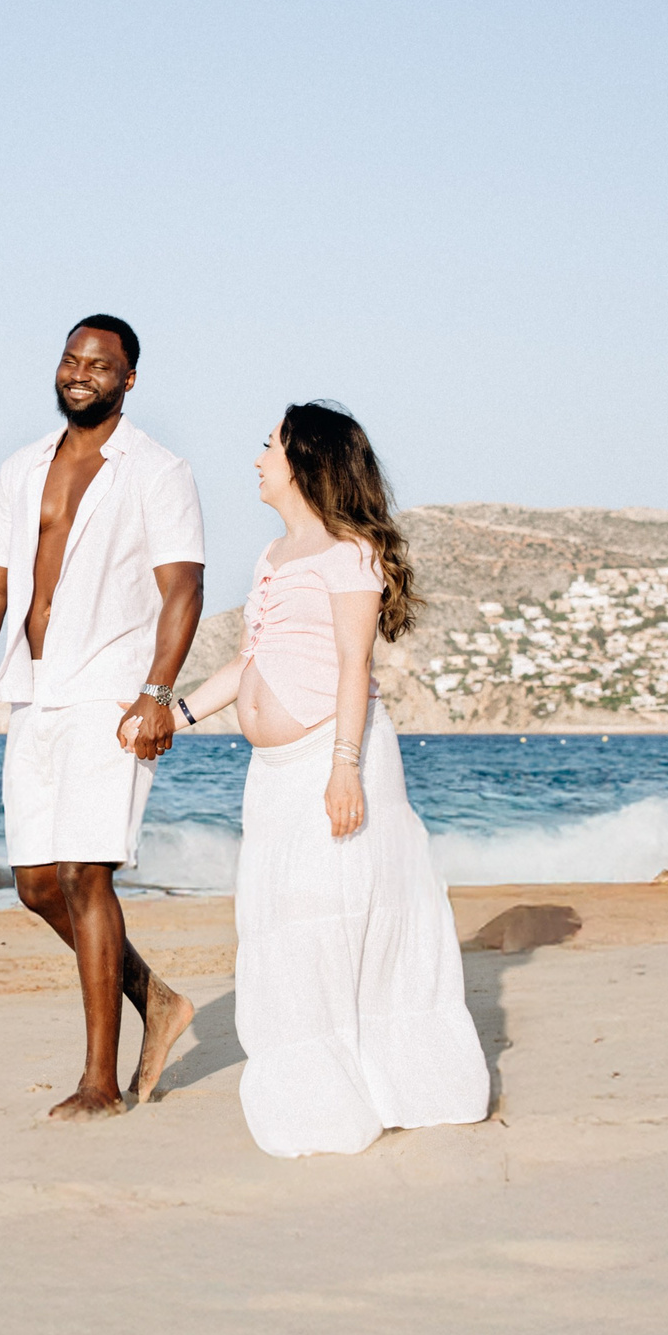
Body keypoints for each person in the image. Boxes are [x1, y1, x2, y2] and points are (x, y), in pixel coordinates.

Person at [173, 402, 489, 1156]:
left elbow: (356, 665)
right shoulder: (273, 555)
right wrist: (172, 715)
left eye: (269, 444)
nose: (257, 458)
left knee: (339, 919)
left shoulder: (350, 554)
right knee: (281, 925)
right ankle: (321, 1085)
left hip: (333, 759)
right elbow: (252, 661)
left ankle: (387, 1082)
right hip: (274, 772)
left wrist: (344, 769)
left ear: (304, 459)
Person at [0, 316, 203, 1120]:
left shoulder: (158, 471)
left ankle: (101, 1081)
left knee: (85, 873)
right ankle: (155, 998)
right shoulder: (22, 469)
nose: (80, 373)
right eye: (70, 359)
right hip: (34, 690)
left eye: (100, 364)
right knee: (35, 885)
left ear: (129, 379)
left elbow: (183, 589)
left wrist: (158, 694)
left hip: (113, 693)